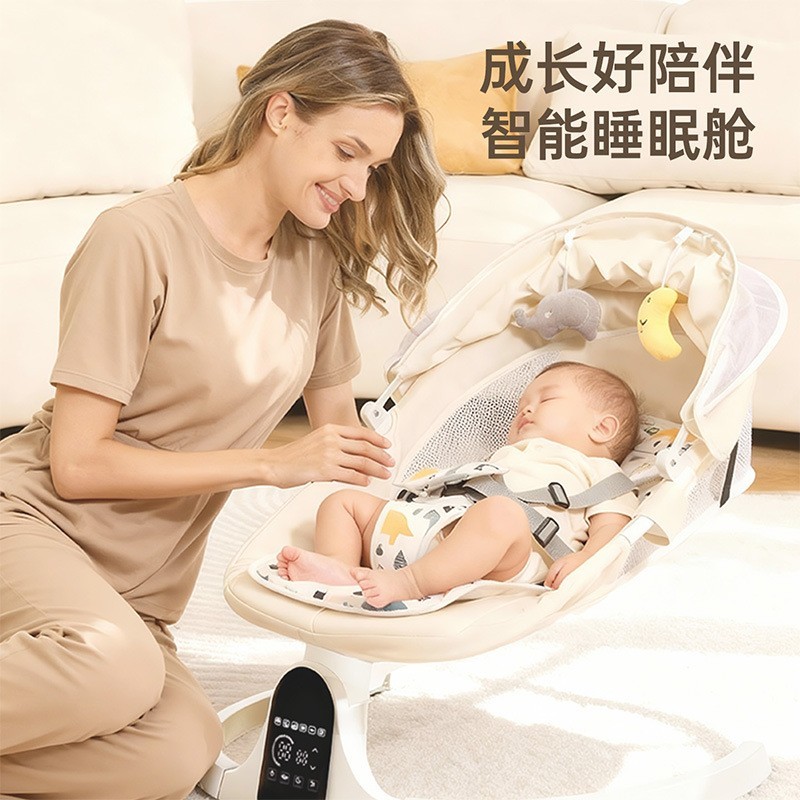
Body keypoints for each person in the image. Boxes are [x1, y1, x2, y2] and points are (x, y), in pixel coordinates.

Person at [0, 20, 445, 800]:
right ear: (281, 112)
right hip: (36, 527)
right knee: (112, 670)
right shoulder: (136, 238)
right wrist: (271, 464)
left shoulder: (315, 261)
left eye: (373, 167)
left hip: (140, 592)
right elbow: (75, 464)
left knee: (179, 751)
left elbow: (343, 444)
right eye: (346, 152)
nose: (357, 186)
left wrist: (452, 518)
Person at [277, 361, 641, 607]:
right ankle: (339, 569)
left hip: (508, 556)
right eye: (522, 405)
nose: (525, 410)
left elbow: (613, 527)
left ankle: (409, 584)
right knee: (344, 502)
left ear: (602, 428)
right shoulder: (506, 454)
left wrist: (585, 559)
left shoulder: (601, 472)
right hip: (425, 528)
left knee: (501, 513)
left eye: (546, 399)